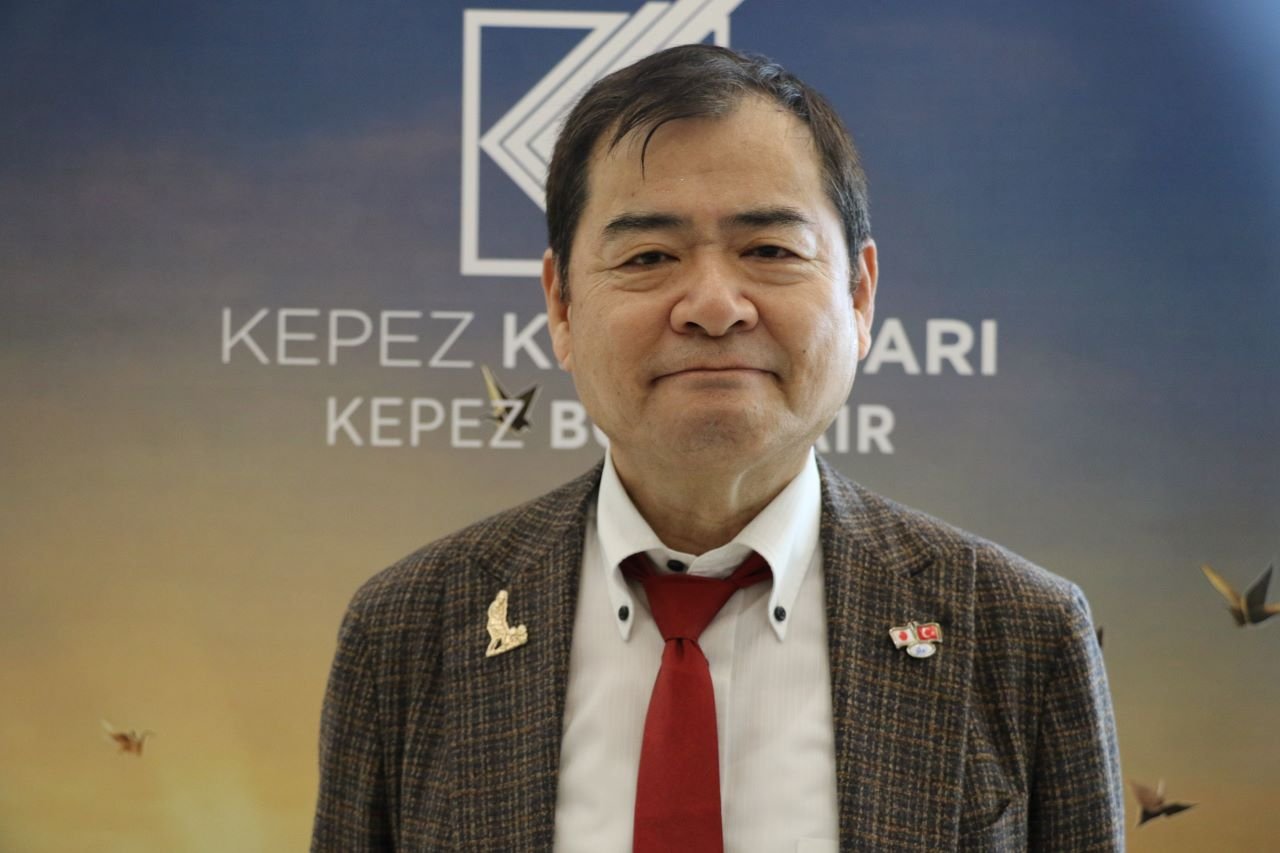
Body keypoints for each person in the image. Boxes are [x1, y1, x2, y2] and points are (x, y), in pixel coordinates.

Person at [312, 44, 1123, 851]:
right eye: (649, 257)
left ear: (860, 294)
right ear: (561, 306)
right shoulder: (410, 631)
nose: (712, 304)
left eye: (768, 250)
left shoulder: (1020, 631)